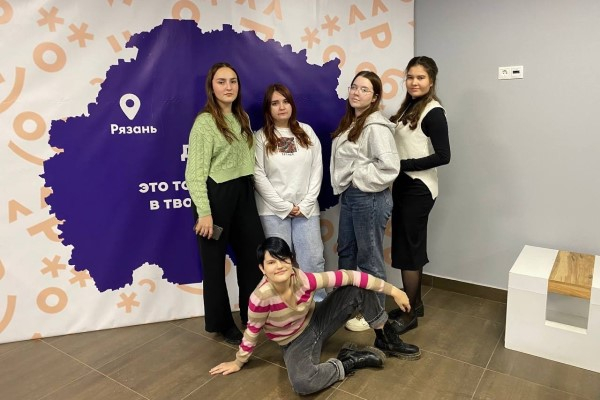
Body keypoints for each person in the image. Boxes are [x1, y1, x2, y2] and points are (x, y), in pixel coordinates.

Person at [209, 237, 420, 395]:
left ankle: (385, 338)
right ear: (262, 268)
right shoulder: (260, 298)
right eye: (271, 262)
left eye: (283, 259)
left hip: (317, 319)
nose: (279, 266)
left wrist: (394, 291)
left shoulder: (303, 280)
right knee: (303, 383)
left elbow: (350, 275)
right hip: (293, 341)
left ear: (291, 261)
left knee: (357, 287)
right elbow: (252, 332)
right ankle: (349, 361)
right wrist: (238, 362)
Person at [185, 62, 265, 345]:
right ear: (212, 86)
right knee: (214, 264)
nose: (228, 87)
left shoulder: (242, 117)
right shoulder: (205, 123)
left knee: (253, 257)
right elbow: (194, 173)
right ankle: (222, 324)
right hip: (216, 197)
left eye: (233, 81)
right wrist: (204, 213)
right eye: (221, 81)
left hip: (244, 193)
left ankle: (252, 314)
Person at [330, 71, 400, 332]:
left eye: (364, 89)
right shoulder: (352, 122)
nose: (356, 92)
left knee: (370, 259)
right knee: (346, 252)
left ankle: (374, 316)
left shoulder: (376, 126)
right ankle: (346, 307)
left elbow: (390, 167)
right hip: (352, 196)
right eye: (354, 87)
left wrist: (357, 177)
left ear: (374, 97)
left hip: (369, 197)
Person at [388, 56, 451, 334]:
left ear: (431, 81)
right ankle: (416, 303)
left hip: (419, 188)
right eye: (411, 77)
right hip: (405, 185)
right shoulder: (410, 107)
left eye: (421, 77)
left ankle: (409, 313)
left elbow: (444, 155)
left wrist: (403, 165)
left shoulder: (434, 112)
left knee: (408, 250)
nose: (414, 82)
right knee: (411, 246)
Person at [254, 83, 327, 301]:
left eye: (285, 101)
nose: (281, 107)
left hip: (306, 210)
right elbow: (258, 175)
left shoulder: (307, 132)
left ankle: (318, 308)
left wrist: (305, 205)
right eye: (275, 103)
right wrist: (284, 206)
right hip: (272, 211)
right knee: (278, 264)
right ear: (268, 108)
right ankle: (282, 310)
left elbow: (317, 169)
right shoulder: (260, 137)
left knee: (313, 260)